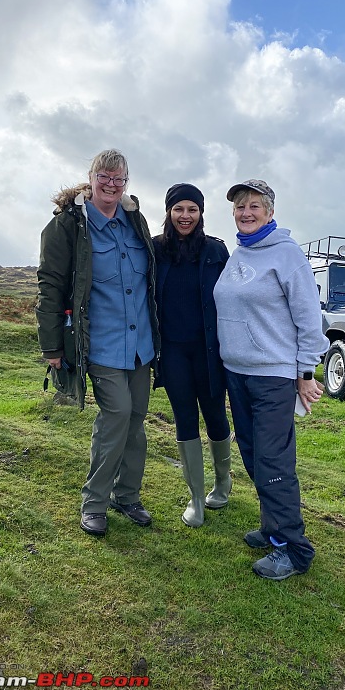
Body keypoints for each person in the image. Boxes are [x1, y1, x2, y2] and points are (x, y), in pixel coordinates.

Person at [36, 149, 160, 537]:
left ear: (127, 182)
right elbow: (51, 287)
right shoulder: (67, 226)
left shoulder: (135, 221)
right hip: (101, 345)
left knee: (137, 421)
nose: (110, 184)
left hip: (141, 345)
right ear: (90, 178)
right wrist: (52, 348)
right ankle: (94, 503)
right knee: (117, 416)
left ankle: (127, 496)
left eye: (118, 178)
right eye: (103, 177)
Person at [213, 179, 329, 579]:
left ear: (271, 212)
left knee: (273, 459)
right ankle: (271, 526)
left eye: (255, 206)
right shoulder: (239, 254)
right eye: (240, 206)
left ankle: (293, 549)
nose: (246, 212)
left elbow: (309, 320)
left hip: (273, 376)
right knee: (251, 452)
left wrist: (305, 373)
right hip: (238, 373)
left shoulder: (287, 255)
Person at [153, 183, 231, 527]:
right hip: (172, 351)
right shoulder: (154, 250)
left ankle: (223, 484)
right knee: (184, 418)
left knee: (215, 416)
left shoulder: (216, 251)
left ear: (201, 213)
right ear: (168, 212)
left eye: (192, 210)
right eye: (178, 209)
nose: (185, 216)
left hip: (209, 352)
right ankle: (196, 498)